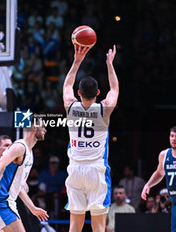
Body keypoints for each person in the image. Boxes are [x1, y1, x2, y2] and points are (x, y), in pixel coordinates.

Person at [62, 44, 119, 232]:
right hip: (97, 171)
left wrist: (77, 61)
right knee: (99, 227)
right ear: (97, 93)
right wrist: (110, 64)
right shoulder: (104, 109)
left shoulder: (70, 107)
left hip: (76, 169)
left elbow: (67, 84)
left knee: (74, 226)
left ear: (79, 93)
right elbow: (115, 90)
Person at [0, 119, 49, 232]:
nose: (45, 130)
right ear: (34, 127)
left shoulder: (29, 153)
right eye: (43, 127)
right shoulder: (19, 147)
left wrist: (32, 208)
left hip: (7, 201)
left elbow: (19, 186)